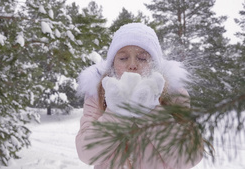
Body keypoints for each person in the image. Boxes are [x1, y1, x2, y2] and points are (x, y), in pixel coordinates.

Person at [76, 23, 203, 169]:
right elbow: (86, 153)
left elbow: (188, 158)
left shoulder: (174, 96)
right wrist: (117, 113)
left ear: (155, 64)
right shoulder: (97, 96)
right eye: (123, 58)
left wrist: (150, 112)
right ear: (112, 64)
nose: (132, 65)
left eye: (142, 58)